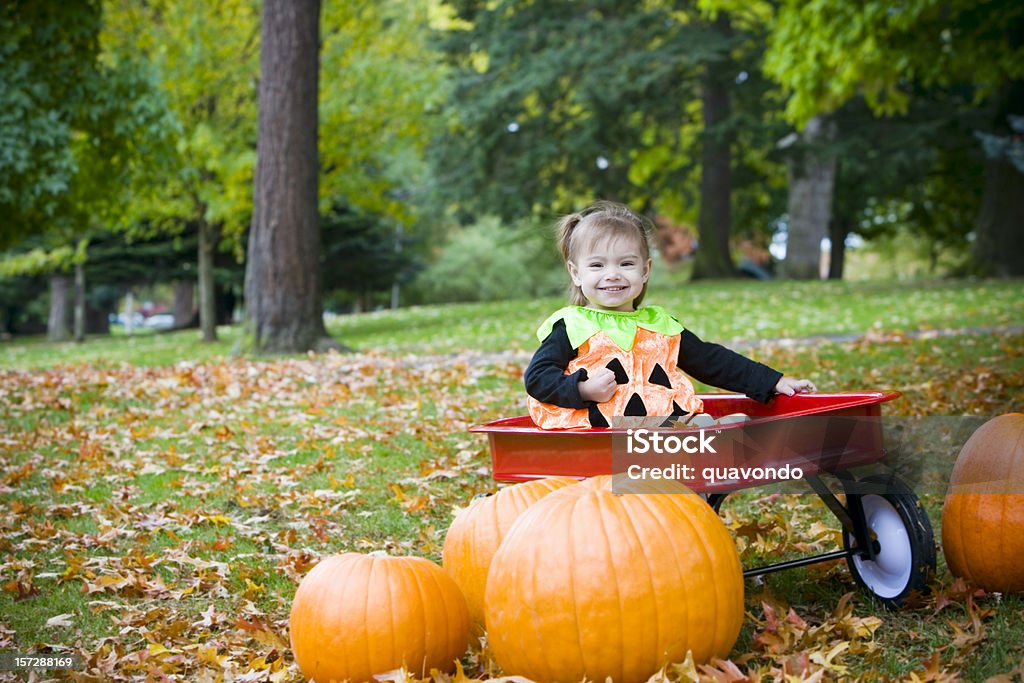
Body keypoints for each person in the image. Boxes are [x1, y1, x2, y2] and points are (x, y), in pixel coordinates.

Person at [525, 201, 816, 430]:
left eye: (626, 263)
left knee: (681, 431)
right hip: (598, 432)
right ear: (576, 273)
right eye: (598, 266)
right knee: (673, 439)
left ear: (645, 270)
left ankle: (700, 442)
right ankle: (701, 439)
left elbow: (710, 361)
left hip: (655, 431)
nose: (612, 275)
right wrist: (583, 389)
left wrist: (771, 381)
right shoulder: (572, 325)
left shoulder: (659, 325)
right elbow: (538, 378)